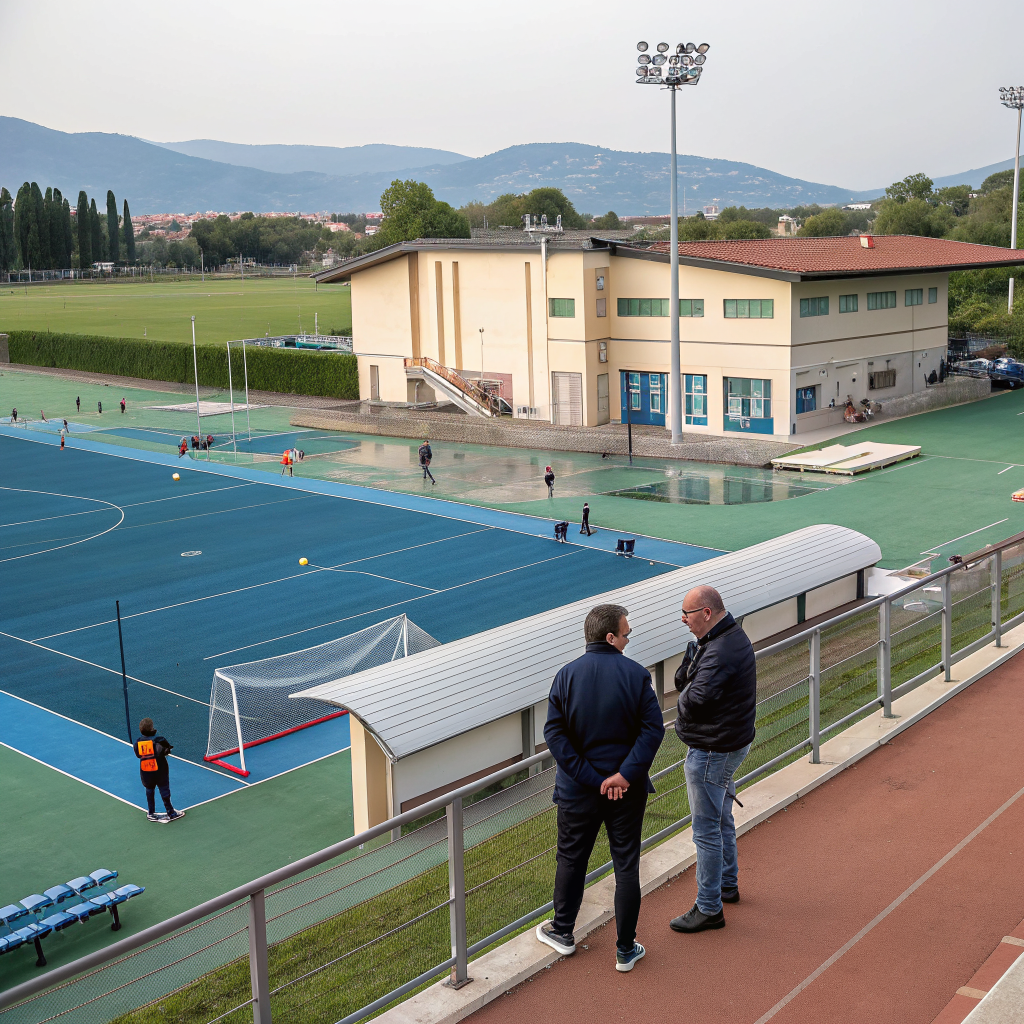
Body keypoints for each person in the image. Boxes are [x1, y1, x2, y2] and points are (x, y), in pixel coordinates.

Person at [538, 604, 663, 973]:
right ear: (610, 637)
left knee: (571, 859)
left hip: (577, 792)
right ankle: (625, 950)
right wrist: (623, 776)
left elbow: (554, 735)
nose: (628, 640)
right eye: (625, 634)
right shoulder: (637, 675)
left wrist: (593, 780)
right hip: (627, 792)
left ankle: (563, 932)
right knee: (626, 865)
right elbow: (653, 731)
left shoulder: (565, 676)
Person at [670, 585, 756, 934]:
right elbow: (682, 681)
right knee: (721, 819)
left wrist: (684, 697)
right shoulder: (723, 638)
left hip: (711, 751)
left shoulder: (719, 650)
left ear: (706, 613)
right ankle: (727, 885)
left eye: (687, 614)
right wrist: (693, 659)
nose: (683, 619)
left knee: (705, 830)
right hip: (727, 743)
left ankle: (709, 908)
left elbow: (692, 700)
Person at [133, 718, 185, 823]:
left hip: (146, 770)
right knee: (164, 789)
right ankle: (171, 812)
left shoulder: (138, 742)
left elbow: (138, 755)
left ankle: (151, 813)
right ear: (152, 728)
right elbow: (166, 750)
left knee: (149, 789)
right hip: (160, 769)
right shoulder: (159, 740)